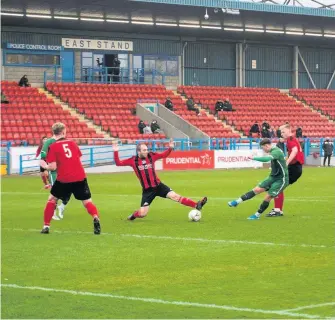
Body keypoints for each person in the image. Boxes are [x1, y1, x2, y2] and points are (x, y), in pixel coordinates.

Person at [112, 139, 207, 221]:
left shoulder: (151, 156)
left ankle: (196, 205)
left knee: (175, 196)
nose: (146, 151)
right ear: (138, 151)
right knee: (142, 214)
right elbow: (118, 163)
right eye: (144, 150)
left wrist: (170, 148)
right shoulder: (133, 160)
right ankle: (133, 216)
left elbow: (164, 155)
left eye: (147, 149)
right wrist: (116, 151)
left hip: (158, 186)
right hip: (147, 191)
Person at [39, 122, 101, 234]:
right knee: (87, 202)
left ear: (53, 133)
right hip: (80, 177)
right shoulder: (73, 143)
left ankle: (46, 226)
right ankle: (95, 217)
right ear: (63, 132)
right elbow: (77, 158)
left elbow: (53, 167)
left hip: (64, 179)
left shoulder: (53, 146)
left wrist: (45, 166)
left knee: (52, 199)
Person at [228, 138, 288, 220]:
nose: (263, 150)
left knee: (268, 196)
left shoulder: (276, 151)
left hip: (281, 179)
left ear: (266, 146)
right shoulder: (274, 150)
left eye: (263, 148)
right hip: (273, 176)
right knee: (257, 189)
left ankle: (257, 215)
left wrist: (253, 158)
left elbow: (267, 159)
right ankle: (237, 202)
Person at [267, 123, 304, 217]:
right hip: (295, 167)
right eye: (281, 132)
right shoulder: (291, 140)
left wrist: (286, 163)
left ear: (289, 130)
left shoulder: (291, 140)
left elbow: (295, 151)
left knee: (277, 184)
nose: (282, 134)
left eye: (283, 132)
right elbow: (293, 151)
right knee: (278, 185)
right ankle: (278, 209)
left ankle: (278, 210)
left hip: (294, 168)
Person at [40, 132, 71, 220]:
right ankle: (52, 212)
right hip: (54, 171)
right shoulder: (49, 142)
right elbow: (43, 154)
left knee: (69, 191)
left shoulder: (64, 141)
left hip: (64, 170)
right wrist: (50, 162)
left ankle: (61, 207)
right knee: (55, 193)